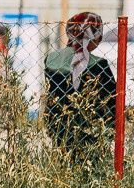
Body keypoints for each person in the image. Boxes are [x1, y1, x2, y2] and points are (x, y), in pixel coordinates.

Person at [44, 11, 117, 158]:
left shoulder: (51, 59)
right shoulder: (100, 66)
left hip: (59, 128)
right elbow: (113, 101)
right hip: (90, 133)